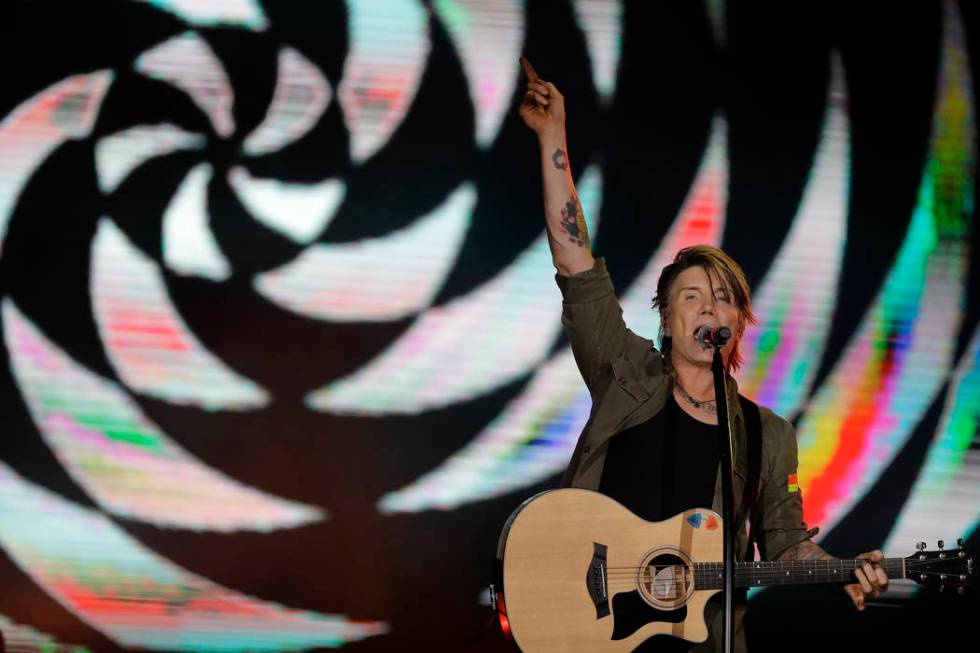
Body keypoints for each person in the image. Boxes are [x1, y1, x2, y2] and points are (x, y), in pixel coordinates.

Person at [517, 56, 888, 652]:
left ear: (739, 322)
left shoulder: (766, 434)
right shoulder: (627, 372)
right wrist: (552, 138)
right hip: (594, 632)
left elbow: (786, 542)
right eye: (691, 297)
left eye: (722, 300)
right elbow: (576, 265)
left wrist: (844, 568)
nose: (708, 309)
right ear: (666, 316)